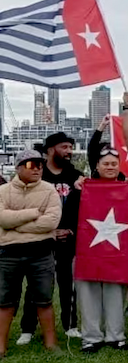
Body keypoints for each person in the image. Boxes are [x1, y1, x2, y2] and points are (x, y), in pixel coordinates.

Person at [20, 132, 83, 343]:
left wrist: (71, 229)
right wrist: (49, 231)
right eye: (64, 147)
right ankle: (27, 328)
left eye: (70, 147)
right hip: (40, 239)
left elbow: (86, 207)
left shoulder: (76, 176)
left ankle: (71, 325)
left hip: (69, 239)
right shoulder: (37, 175)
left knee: (68, 284)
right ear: (50, 149)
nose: (69, 152)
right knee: (36, 284)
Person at [66, 149, 128, 352]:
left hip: (117, 252)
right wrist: (77, 189)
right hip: (87, 250)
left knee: (115, 293)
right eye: (106, 163)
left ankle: (116, 336)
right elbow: (69, 215)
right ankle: (91, 337)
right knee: (87, 293)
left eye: (114, 163)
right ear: (97, 166)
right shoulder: (82, 188)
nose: (110, 167)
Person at [0, 150, 61, 357]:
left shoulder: (51, 191)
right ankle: (1, 346)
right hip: (8, 254)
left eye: (39, 164)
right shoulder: (3, 191)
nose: (36, 168)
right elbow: (2, 219)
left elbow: (51, 222)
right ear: (18, 168)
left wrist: (15, 226)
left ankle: (51, 344)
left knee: (44, 300)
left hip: (41, 252)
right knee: (5, 301)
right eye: (30, 164)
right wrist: (34, 213)